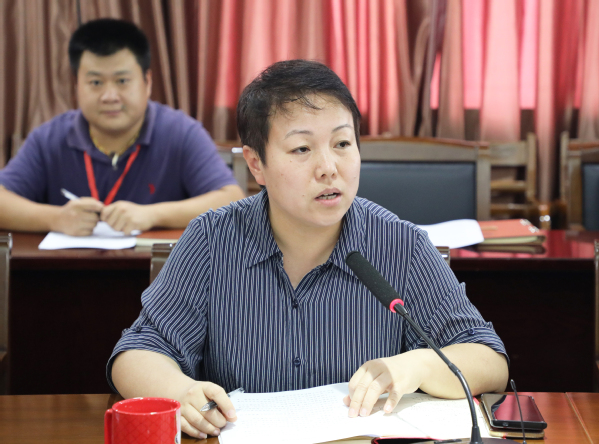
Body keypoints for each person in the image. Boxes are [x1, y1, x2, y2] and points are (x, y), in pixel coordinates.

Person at [108, 60, 509, 439]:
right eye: (302, 149)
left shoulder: (401, 246)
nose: (329, 167)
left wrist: (420, 364)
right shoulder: (212, 241)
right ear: (256, 164)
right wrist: (179, 391)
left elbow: (489, 359)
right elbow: (137, 352)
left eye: (342, 143)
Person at [0, 18, 244, 236]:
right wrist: (55, 218)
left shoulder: (181, 133)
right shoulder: (49, 138)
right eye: (95, 82)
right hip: (69, 270)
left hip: (161, 271)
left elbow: (231, 200)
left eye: (122, 81)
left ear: (147, 82)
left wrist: (152, 215)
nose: (109, 96)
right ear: (76, 86)